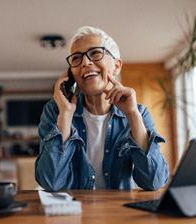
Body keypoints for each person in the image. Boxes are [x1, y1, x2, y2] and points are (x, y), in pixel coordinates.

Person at [35, 26, 169, 191]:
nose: (85, 62)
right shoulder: (55, 111)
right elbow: (50, 182)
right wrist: (65, 115)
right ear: (71, 73)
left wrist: (132, 115)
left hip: (117, 212)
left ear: (116, 65)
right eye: (76, 58)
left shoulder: (139, 113)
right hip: (71, 210)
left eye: (95, 53)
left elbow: (154, 182)